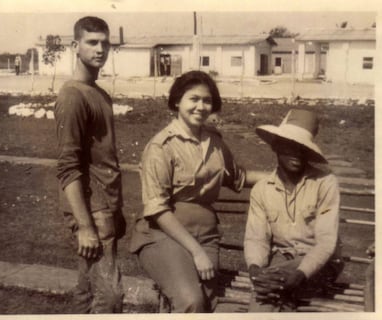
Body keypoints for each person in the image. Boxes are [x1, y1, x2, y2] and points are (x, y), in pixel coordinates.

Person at [129, 70, 261, 313]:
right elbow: (157, 209)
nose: (201, 106)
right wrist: (197, 252)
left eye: (207, 100)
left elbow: (238, 177)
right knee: (190, 301)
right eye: (194, 99)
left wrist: (281, 177)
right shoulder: (161, 147)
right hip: (164, 237)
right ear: (177, 101)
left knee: (209, 304)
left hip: (206, 236)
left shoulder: (215, 143)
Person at [54, 16, 125, 314]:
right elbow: (68, 167)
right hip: (91, 210)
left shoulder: (99, 93)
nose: (100, 50)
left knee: (87, 294)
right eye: (92, 42)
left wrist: (115, 208)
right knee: (109, 299)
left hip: (106, 207)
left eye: (105, 43)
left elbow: (102, 156)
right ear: (75, 46)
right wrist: (84, 225)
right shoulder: (72, 96)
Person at [244, 109, 344, 312]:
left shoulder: (325, 183)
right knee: (272, 290)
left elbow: (326, 243)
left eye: (302, 148)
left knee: (271, 288)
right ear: (276, 146)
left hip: (320, 265)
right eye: (290, 146)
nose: (297, 154)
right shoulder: (262, 189)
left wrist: (300, 272)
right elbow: (256, 238)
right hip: (281, 261)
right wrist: (254, 268)